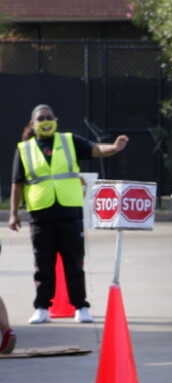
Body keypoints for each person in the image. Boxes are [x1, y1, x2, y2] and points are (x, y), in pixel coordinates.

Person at [8, 104, 129, 324]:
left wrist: (114, 147)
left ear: (55, 119)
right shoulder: (24, 149)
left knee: (74, 262)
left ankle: (81, 307)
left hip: (69, 212)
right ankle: (42, 308)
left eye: (48, 117)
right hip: (40, 214)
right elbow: (17, 184)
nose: (45, 120)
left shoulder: (69, 141)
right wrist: (13, 214)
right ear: (32, 124)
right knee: (42, 264)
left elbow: (95, 149)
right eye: (40, 118)